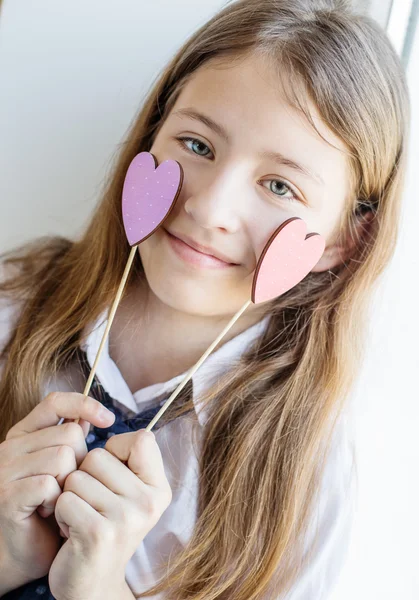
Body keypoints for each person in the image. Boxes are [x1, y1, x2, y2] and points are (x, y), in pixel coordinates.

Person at [0, 0, 410, 598]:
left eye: (279, 185)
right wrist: (8, 555)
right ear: (152, 134)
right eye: (196, 144)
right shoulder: (14, 304)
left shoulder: (307, 475)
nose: (208, 209)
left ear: (345, 240)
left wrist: (99, 588)